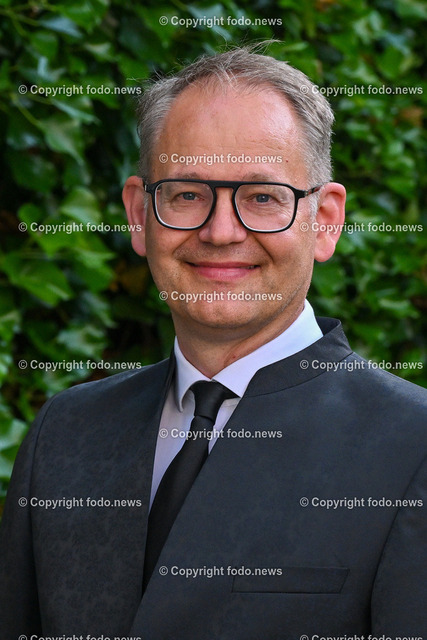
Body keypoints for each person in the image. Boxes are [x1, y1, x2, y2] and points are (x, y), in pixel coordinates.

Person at [0, 46, 426, 639]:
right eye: (186, 194)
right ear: (138, 215)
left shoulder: (413, 447)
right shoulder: (64, 434)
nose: (221, 232)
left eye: (262, 197)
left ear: (326, 220)